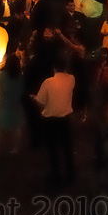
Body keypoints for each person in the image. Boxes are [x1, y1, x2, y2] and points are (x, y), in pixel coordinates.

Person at [31, 56, 76, 186]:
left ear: (54, 67)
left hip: (50, 120)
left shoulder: (48, 82)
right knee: (67, 147)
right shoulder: (71, 79)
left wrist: (34, 98)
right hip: (66, 119)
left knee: (52, 148)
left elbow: (41, 101)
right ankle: (71, 172)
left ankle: (55, 174)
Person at [0, 51, 25, 156]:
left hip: (5, 104)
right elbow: (22, 89)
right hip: (16, 104)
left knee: (1, 128)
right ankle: (15, 149)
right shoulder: (21, 76)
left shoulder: (2, 76)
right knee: (16, 127)